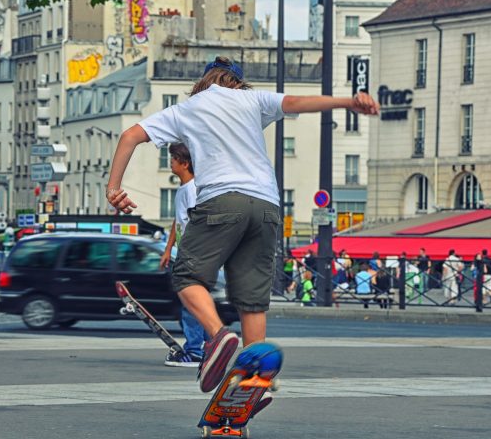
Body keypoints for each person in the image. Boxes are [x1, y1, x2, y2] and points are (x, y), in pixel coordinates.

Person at [105, 56, 379, 394]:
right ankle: (254, 380)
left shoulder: (187, 109)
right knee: (251, 302)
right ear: (237, 82)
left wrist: (114, 188)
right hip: (266, 206)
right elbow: (297, 102)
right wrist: (349, 102)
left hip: (222, 201)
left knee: (187, 276)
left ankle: (218, 336)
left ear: (204, 82)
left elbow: (131, 135)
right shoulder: (253, 100)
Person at [159, 143, 208, 368]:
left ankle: (194, 351)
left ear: (185, 163)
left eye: (173, 158)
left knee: (191, 303)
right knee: (194, 302)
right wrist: (169, 249)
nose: (170, 162)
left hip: (194, 255)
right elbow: (177, 222)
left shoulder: (194, 190)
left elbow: (200, 224)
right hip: (184, 253)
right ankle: (206, 347)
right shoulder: (182, 190)